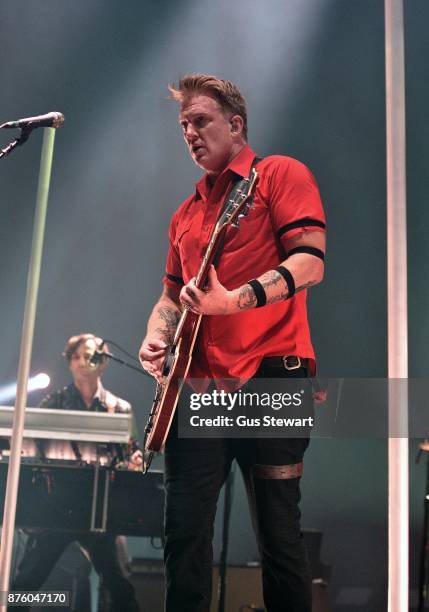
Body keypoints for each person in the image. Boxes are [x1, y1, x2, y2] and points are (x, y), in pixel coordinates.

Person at [139, 74, 326, 612]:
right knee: (184, 537)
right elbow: (170, 299)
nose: (190, 133)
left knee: (278, 535)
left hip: (273, 373)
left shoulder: (279, 175)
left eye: (200, 121)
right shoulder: (186, 211)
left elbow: (310, 261)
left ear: (236, 124)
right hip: (198, 385)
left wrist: (233, 301)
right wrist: (156, 336)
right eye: (183, 126)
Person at [12, 333, 140, 612]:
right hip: (56, 507)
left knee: (120, 586)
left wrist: (134, 461)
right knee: (26, 582)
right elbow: (31, 452)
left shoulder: (119, 409)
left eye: (91, 356)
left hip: (99, 512)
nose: (83, 362)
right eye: (77, 356)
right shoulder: (52, 403)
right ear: (69, 362)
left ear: (104, 362)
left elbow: (132, 457)